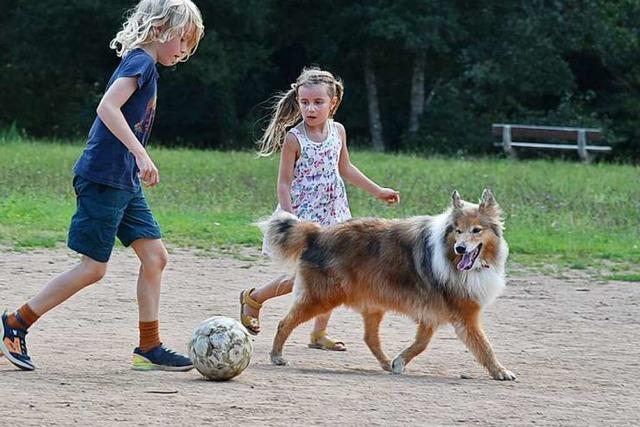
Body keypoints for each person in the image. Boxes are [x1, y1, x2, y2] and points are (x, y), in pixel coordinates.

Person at [0, 0, 204, 371]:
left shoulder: (147, 65)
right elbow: (107, 107)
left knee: (155, 257)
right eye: (183, 40)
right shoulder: (141, 62)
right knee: (93, 268)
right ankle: (15, 323)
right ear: (161, 29)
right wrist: (141, 153)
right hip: (103, 177)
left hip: (123, 180)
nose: (185, 51)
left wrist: (134, 161)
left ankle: (149, 346)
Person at [240, 66, 400, 351]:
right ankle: (254, 299)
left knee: (335, 275)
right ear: (298, 101)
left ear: (333, 103)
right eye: (304, 102)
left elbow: (345, 168)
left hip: (334, 215)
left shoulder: (338, 131)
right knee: (303, 277)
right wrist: (290, 219)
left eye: (317, 102)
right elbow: (284, 184)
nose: (310, 109)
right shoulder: (294, 138)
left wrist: (378, 191)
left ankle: (318, 334)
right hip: (304, 218)